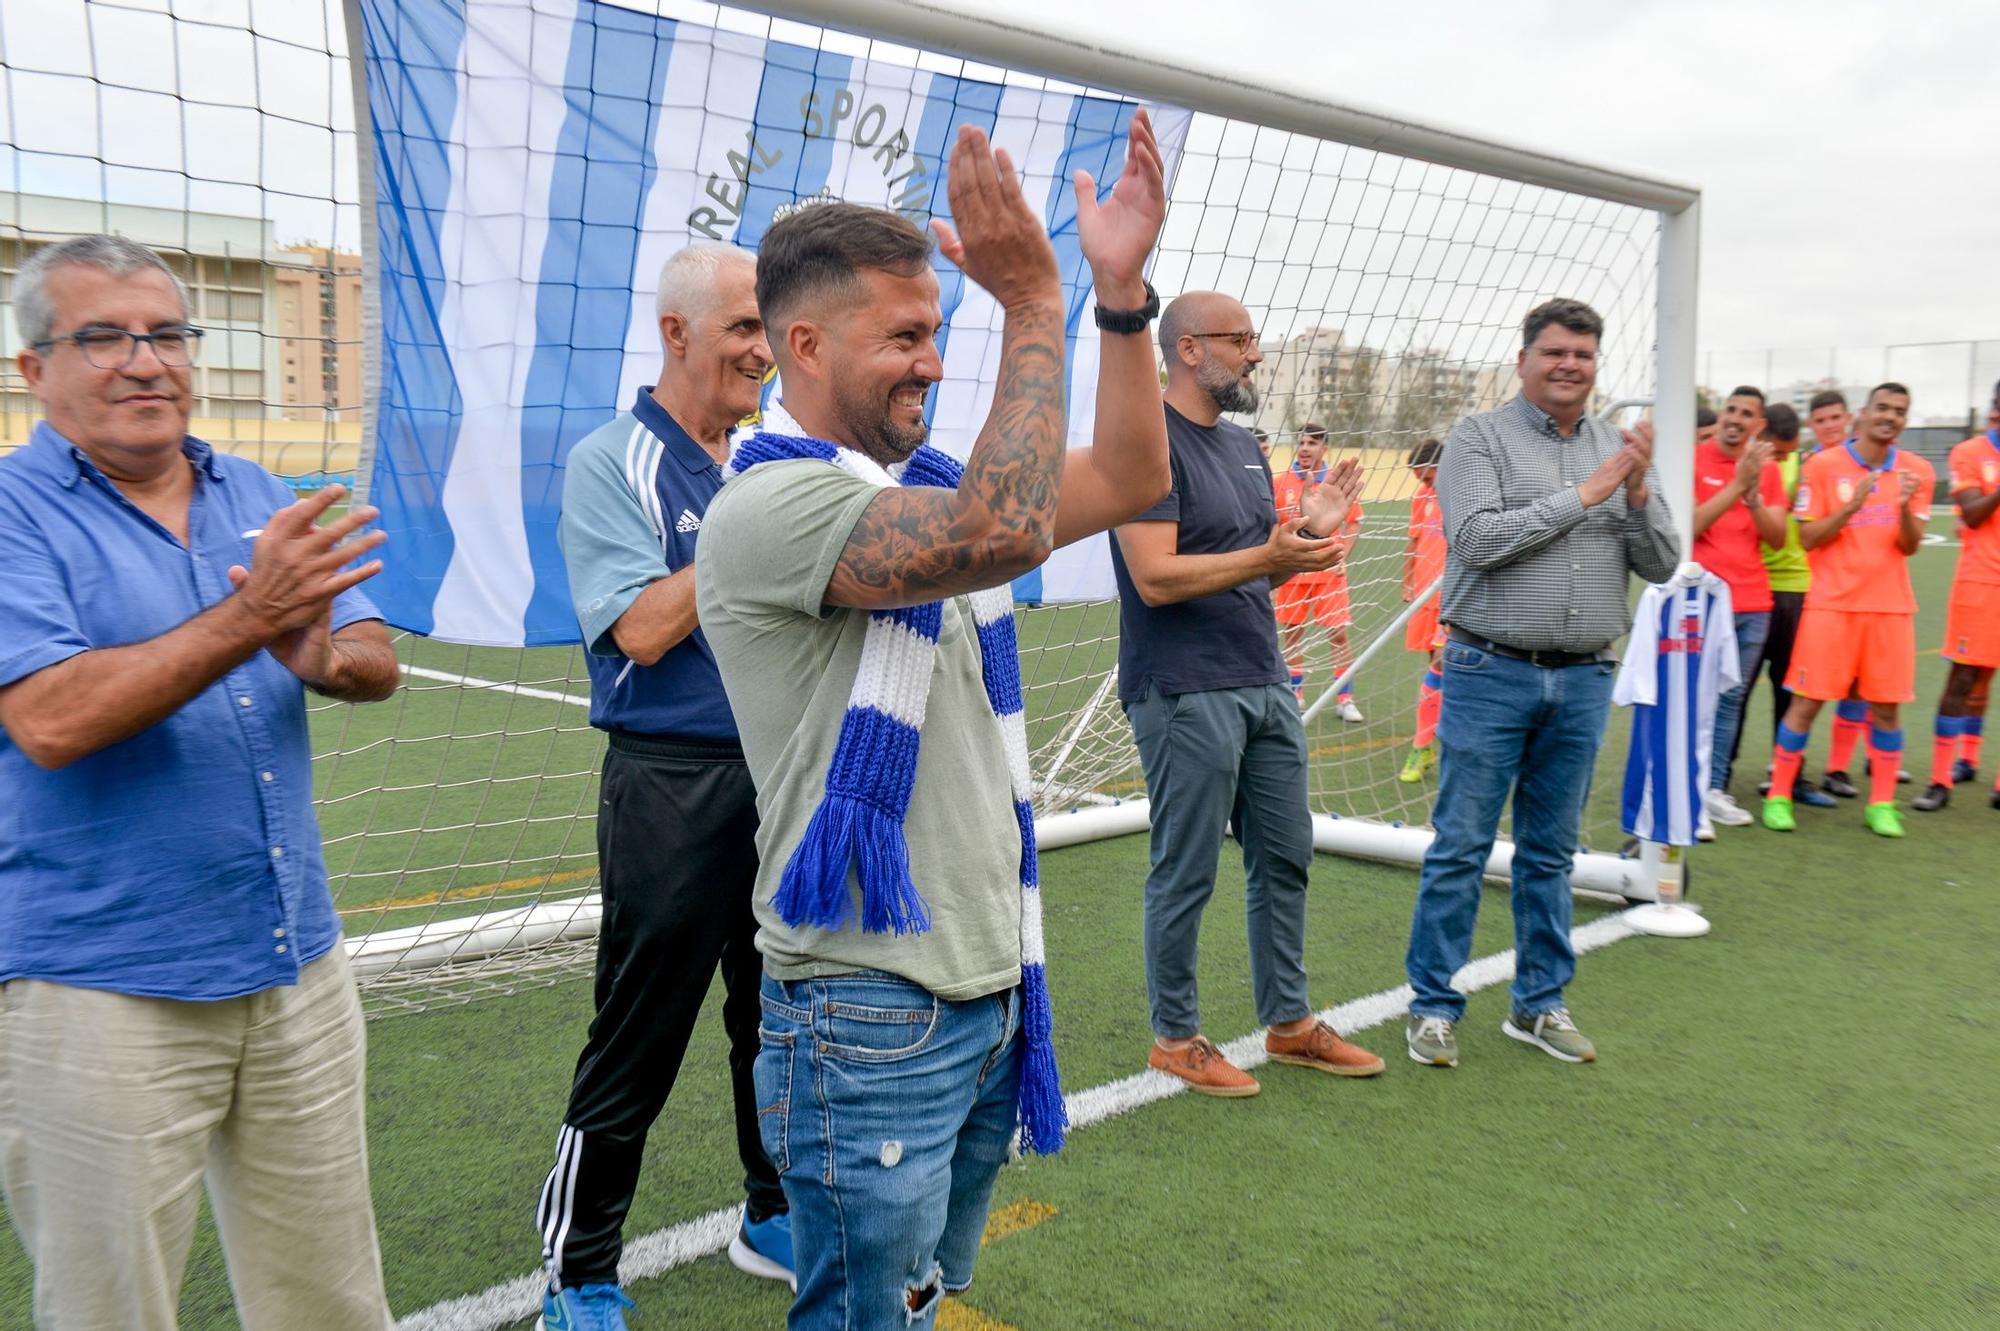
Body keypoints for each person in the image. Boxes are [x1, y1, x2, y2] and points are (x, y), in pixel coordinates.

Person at [697, 113, 1169, 1329]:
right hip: (866, 1009)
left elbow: (1126, 476)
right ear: (801, 344)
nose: (929, 360)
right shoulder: (769, 509)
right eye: (903, 334)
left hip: (974, 979)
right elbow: (998, 532)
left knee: (911, 1304)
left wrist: (1119, 304)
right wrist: (1030, 302)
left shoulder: (921, 492)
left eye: (938, 331)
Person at [0, 235, 400, 1329]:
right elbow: (52, 716)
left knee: (329, 1297)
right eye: (103, 338)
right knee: (109, 1306)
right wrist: (253, 617)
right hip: (100, 983)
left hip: (293, 966)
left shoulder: (260, 491)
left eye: (167, 334)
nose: (145, 361)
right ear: (35, 367)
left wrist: (326, 656)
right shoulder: (10, 511)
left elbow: (371, 659)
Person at [532, 244, 790, 1331]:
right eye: (741, 326)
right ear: (676, 332)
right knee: (639, 1029)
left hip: (783, 771)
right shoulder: (611, 460)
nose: (763, 350)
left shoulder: (771, 455)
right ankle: (579, 1270)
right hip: (671, 784)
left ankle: (770, 1211)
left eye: (768, 329)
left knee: (776, 1015)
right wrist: (747, 526)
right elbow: (637, 627)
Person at [1111, 291, 1384, 1098]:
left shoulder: (1240, 446)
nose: (1256, 354)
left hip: (1264, 679)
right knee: (1187, 868)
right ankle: (1175, 1036)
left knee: (1285, 855)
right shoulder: (1143, 443)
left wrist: (1313, 529)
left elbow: (1266, 556)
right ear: (1189, 350)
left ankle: (1290, 1022)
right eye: (1243, 340)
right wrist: (1272, 556)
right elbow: (1156, 578)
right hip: (1185, 690)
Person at [1403, 297, 1679, 1070]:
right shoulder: (1478, 438)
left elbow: (1661, 563)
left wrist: (1632, 493)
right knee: (1461, 844)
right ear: (1524, 358)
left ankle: (1539, 1002)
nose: (1570, 366)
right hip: (1490, 668)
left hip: (1585, 676)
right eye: (1556, 352)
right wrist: (1585, 495)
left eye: (1583, 356)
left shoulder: (1615, 448)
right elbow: (1480, 540)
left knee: (1551, 851)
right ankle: (1431, 1005)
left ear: (1596, 364)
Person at [1761, 383, 1935, 837]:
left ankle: (1882, 805)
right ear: (1864, 413)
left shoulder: (1916, 472)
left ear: (1904, 419)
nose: (1890, 417)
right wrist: (1852, 506)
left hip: (1889, 610)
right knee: (1807, 703)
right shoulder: (1824, 465)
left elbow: (1910, 546)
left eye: (1899, 411)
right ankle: (1779, 794)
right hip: (1831, 607)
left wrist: (1900, 509)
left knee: (1887, 711)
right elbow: (1809, 538)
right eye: (1883, 408)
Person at [1689, 385, 1786, 832]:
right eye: (1731, 409)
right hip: (1704, 600)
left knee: (1730, 700)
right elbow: (1690, 525)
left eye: (1746, 413)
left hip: (1753, 602)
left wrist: (1753, 494)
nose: (1735, 418)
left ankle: (1712, 790)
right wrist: (1738, 484)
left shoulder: (1765, 471)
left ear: (1758, 425)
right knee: (1696, 698)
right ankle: (1687, 793)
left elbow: (1778, 537)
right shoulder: (1692, 457)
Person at [1913, 382, 2000, 812]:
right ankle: (1941, 780)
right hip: (1981, 584)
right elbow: (1972, 513)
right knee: (1962, 681)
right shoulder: (1969, 453)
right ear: (1996, 409)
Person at [1745, 402, 1837, 807]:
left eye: (1789, 451)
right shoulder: (1748, 467)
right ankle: (1715, 778)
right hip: (1752, 588)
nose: (1784, 458)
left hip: (1797, 590)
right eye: (1778, 451)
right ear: (1762, 437)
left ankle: (1791, 777)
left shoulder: (1808, 466)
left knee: (1793, 690)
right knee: (1737, 690)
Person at [1271, 421, 1364, 719]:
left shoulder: (1335, 484)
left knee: (1338, 634)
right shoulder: (1282, 481)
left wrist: (1341, 557)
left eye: (1311, 443)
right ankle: (1295, 693)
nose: (1305, 448)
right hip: (1292, 571)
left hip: (1328, 573)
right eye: (1301, 443)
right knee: (1293, 634)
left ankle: (1345, 698)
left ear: (1324, 447)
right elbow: (1272, 522)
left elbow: (1354, 521)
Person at [1399, 437, 1447, 784]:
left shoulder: (1463, 493)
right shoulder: (1422, 498)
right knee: (1434, 665)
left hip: (1453, 597)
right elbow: (1414, 541)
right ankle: (1429, 744)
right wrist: (1407, 582)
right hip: (1424, 593)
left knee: (1441, 666)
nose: (1424, 484)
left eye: (1427, 478)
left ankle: (1420, 746)